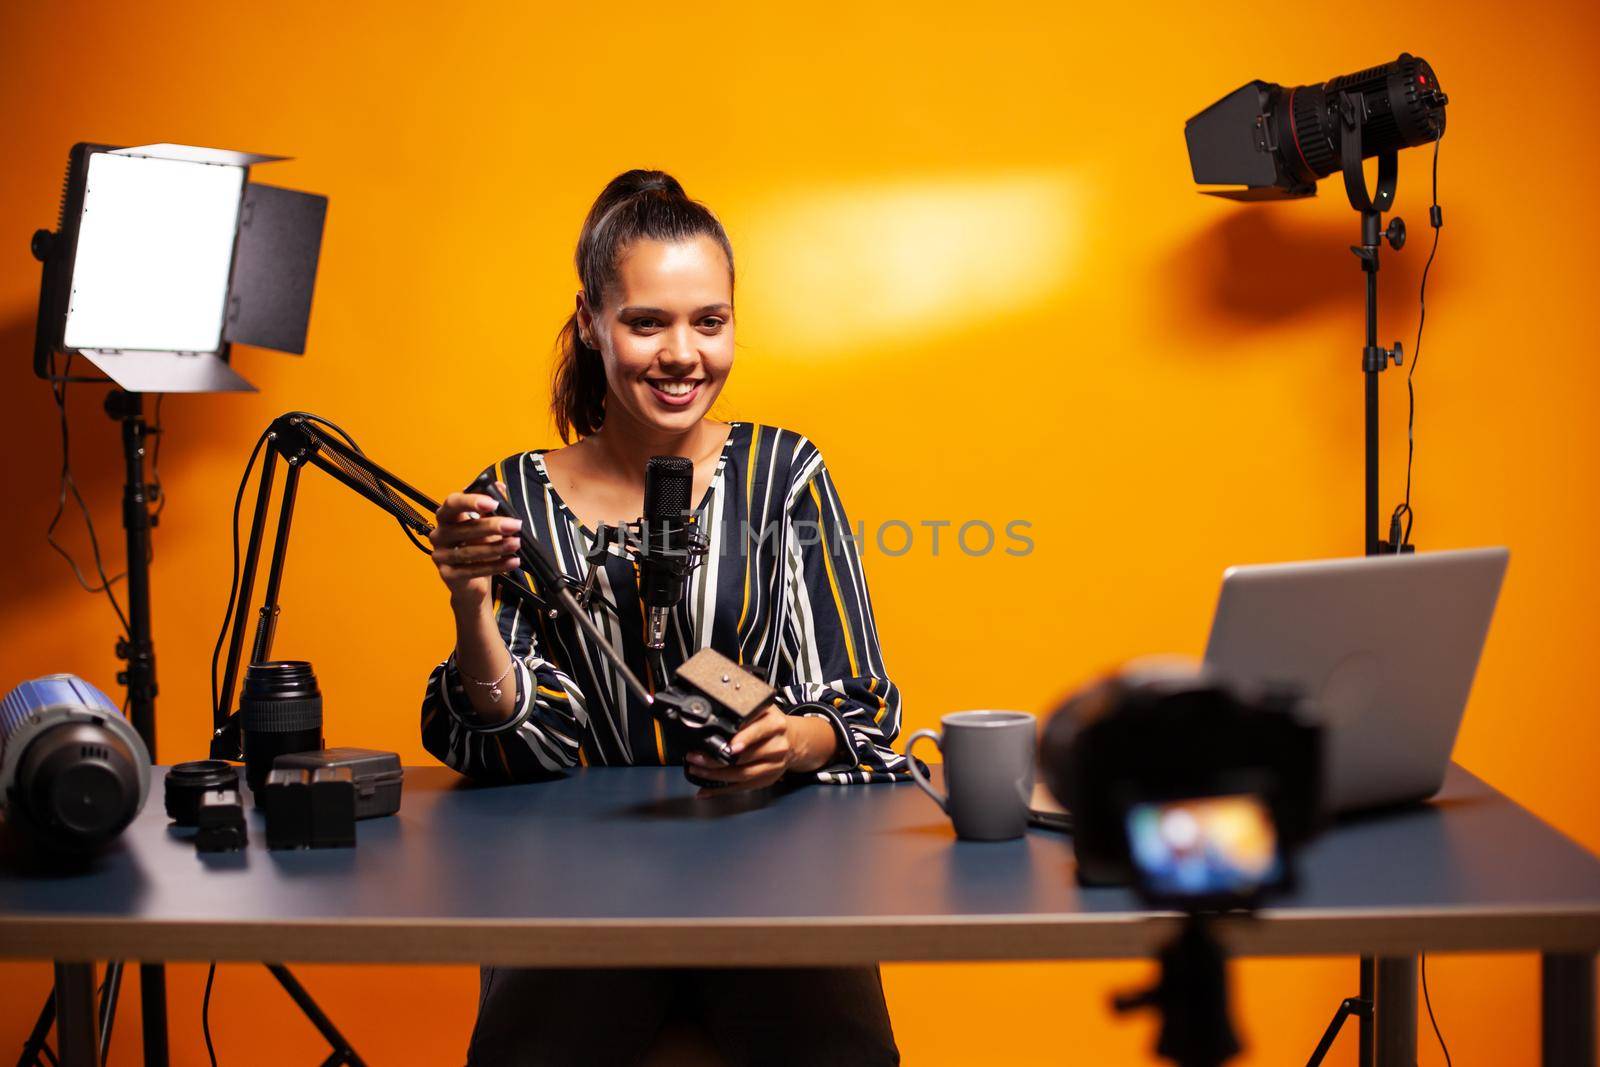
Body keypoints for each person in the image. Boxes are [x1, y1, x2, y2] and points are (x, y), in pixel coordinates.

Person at [419, 169, 909, 1066]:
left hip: (774, 876)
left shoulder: (784, 472)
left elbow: (861, 704)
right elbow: (510, 739)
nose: (682, 353)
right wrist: (471, 607)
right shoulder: (512, 497)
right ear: (591, 323)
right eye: (648, 322)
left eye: (708, 322)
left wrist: (788, 741)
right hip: (577, 885)